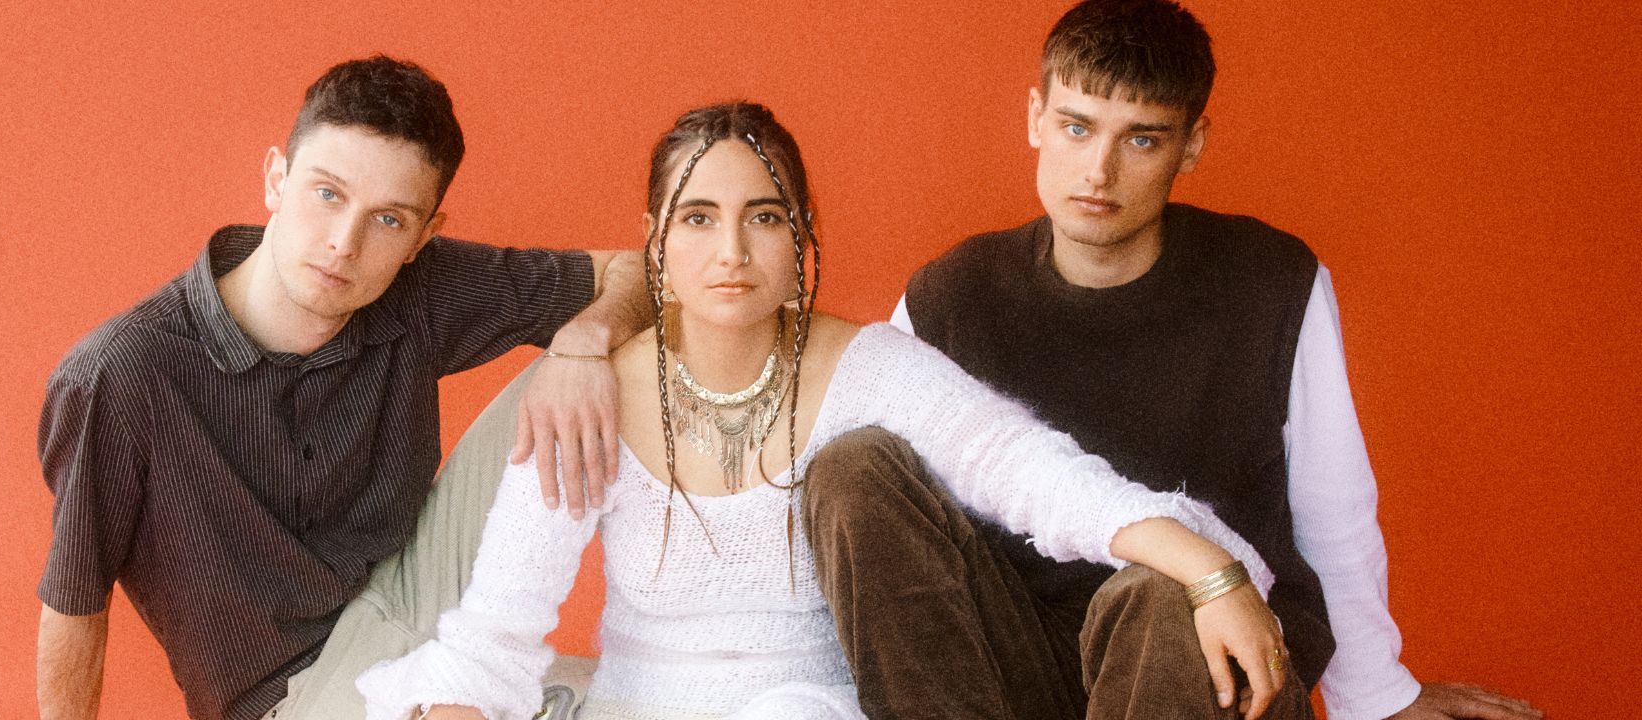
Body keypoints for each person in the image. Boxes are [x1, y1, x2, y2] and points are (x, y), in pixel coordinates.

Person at [355, 102, 1290, 720]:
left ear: (801, 236)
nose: (731, 250)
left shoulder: (867, 367)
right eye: (698, 217)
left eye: (764, 216)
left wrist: (1211, 573)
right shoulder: (594, 394)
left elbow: (1030, 472)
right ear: (655, 242)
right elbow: (499, 625)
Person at [871, 1, 1544, 718]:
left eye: (1142, 139)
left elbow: (1333, 510)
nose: (1098, 171)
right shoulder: (953, 296)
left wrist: (1375, 697)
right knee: (858, 464)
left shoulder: (1269, 281)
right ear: (1036, 118)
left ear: (1191, 146)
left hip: (1218, 669)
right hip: (1026, 674)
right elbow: (878, 530)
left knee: (1162, 588)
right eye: (1077, 127)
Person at [33, 55, 648, 720]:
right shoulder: (121, 372)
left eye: (389, 220)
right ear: (276, 178)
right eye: (327, 194)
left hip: (421, 607)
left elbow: (645, 273)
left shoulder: (418, 288)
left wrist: (584, 341)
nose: (344, 244)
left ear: (422, 237)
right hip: (292, 696)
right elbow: (74, 606)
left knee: (633, 349)